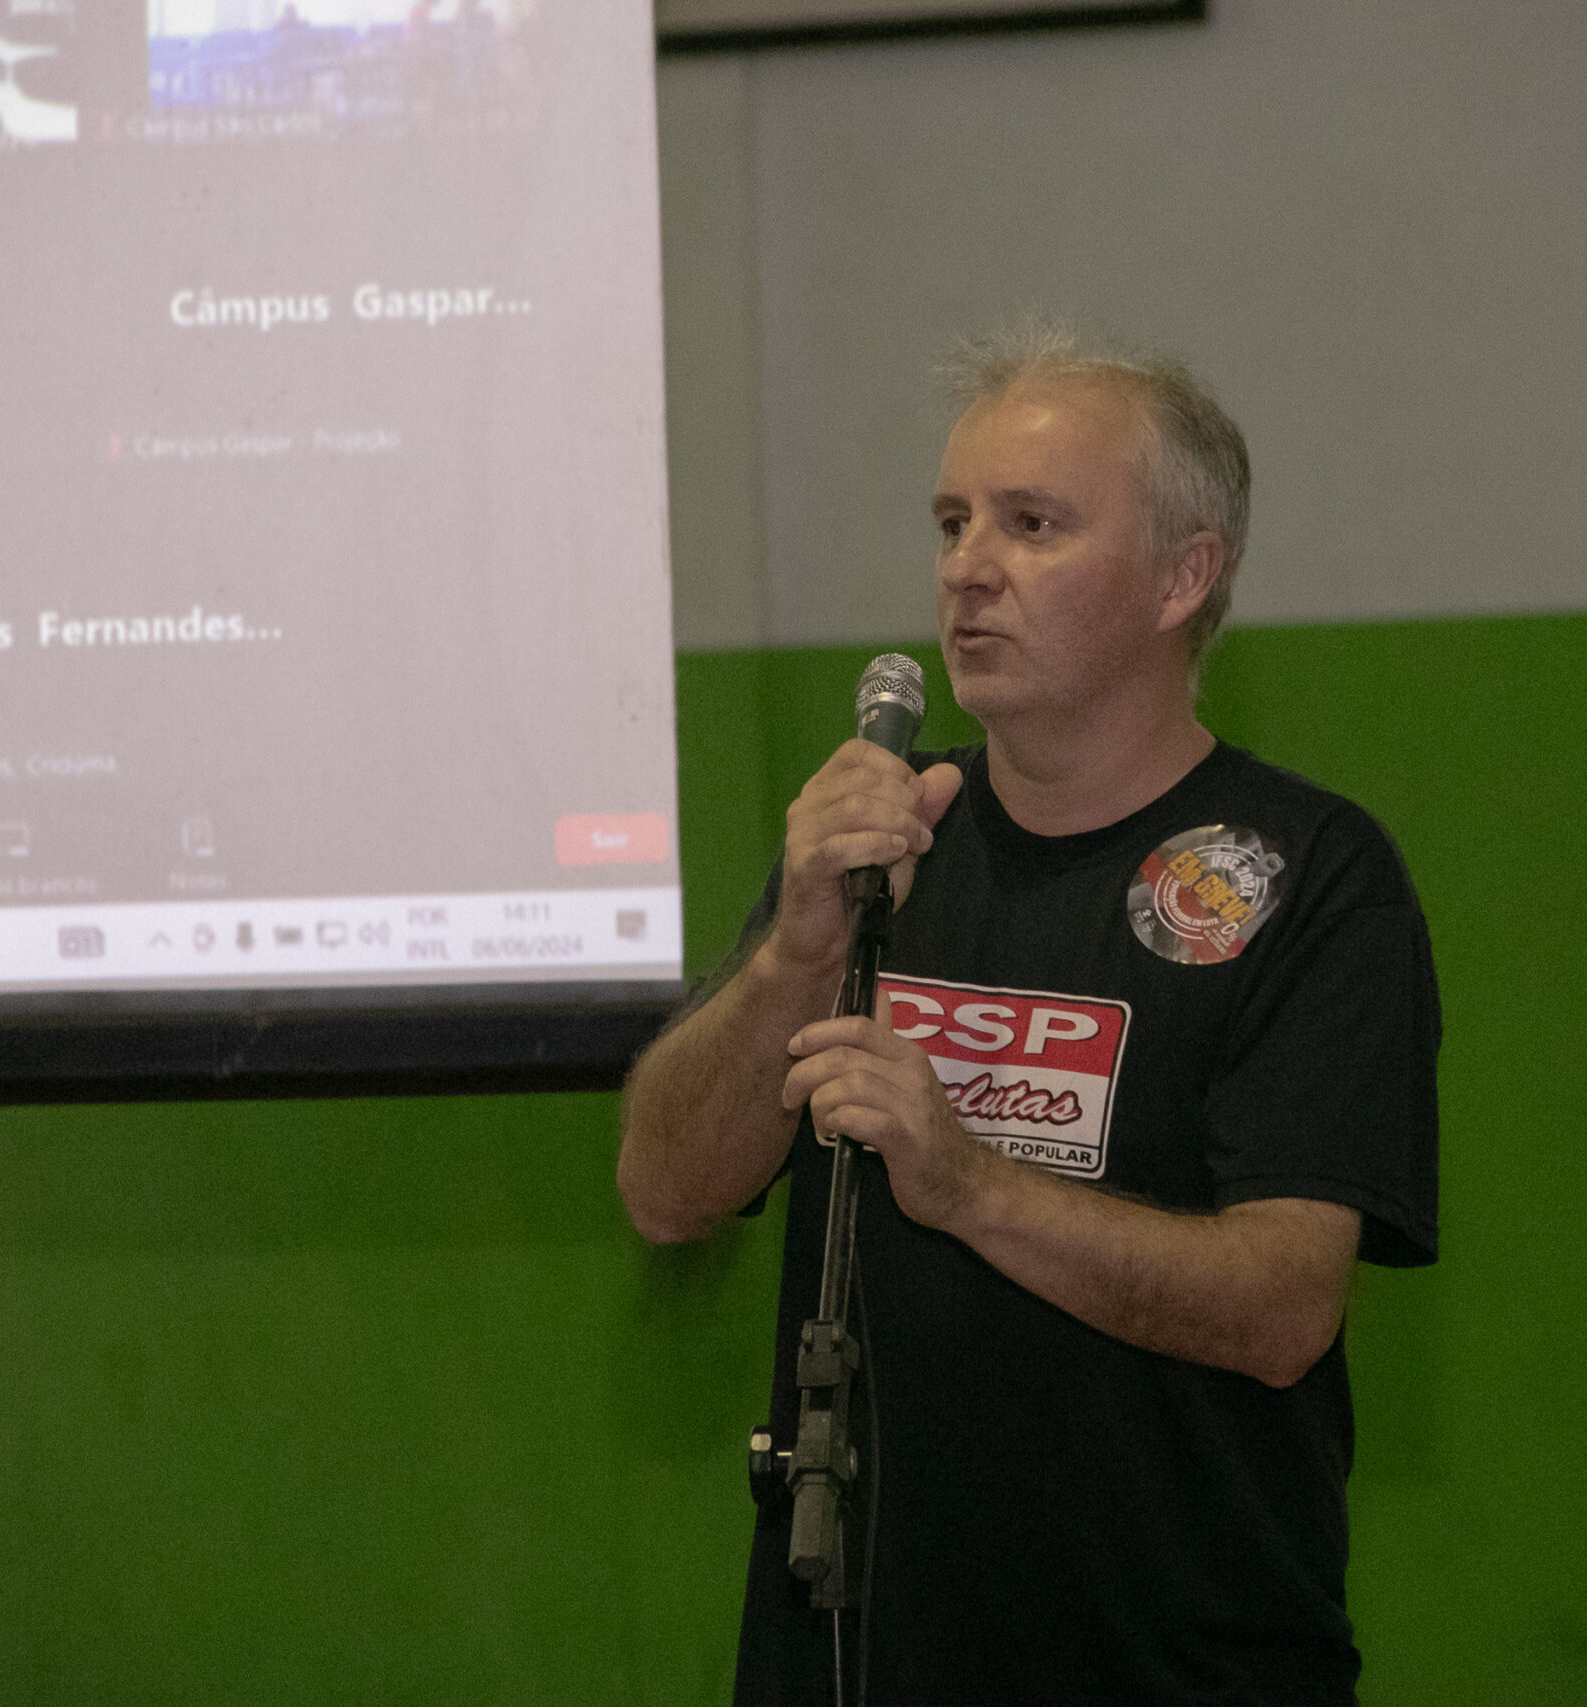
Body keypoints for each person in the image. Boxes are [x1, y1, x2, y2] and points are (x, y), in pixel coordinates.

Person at [617, 322, 1440, 1706]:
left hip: (1174, 1666)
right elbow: (665, 1191)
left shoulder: (1310, 878)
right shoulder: (882, 846)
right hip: (851, 1664)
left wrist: (969, 1184)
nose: (968, 566)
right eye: (953, 522)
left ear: (1184, 574)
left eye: (1033, 522)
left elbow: (1283, 1304)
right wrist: (793, 955)